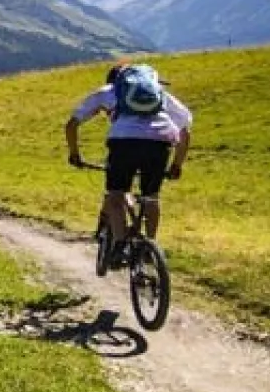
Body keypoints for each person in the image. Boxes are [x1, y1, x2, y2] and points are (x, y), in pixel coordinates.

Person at [64, 62, 192, 265]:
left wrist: (75, 155)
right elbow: (185, 131)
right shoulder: (160, 94)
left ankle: (121, 245)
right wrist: (177, 164)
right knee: (151, 197)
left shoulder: (108, 91)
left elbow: (72, 125)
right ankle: (150, 246)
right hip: (160, 144)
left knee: (115, 195)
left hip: (124, 143)